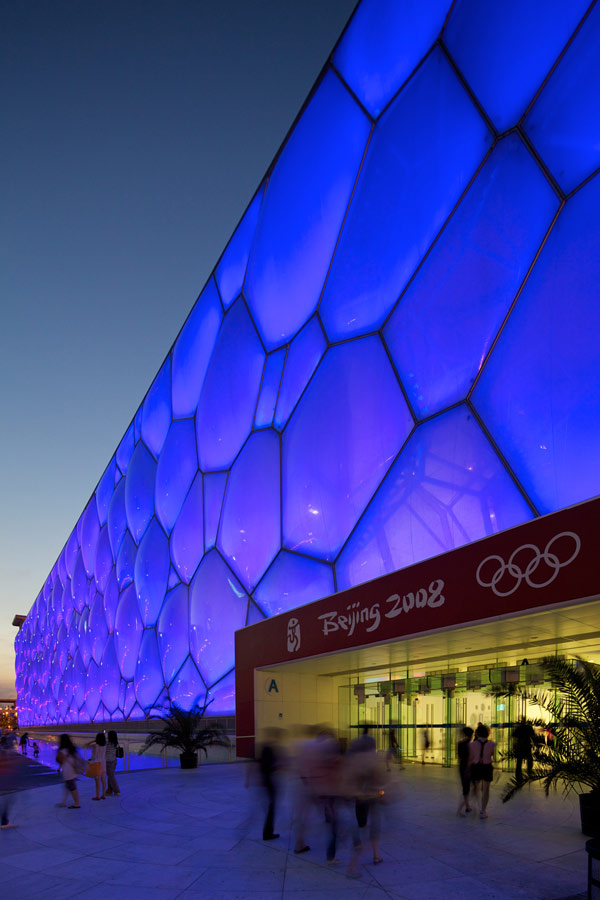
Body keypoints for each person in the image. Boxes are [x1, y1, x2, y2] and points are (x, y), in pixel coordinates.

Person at [343, 727, 385, 877]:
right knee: (373, 826)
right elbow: (378, 779)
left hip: (359, 797)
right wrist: (381, 792)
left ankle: (373, 853)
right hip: (371, 797)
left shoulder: (354, 760)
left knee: (361, 824)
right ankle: (370, 857)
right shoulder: (372, 759)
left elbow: (348, 777)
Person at [468, 723, 495, 819]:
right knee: (486, 789)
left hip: (476, 767)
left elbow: (470, 758)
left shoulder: (472, 745)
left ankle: (474, 805)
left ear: (478, 733)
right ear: (488, 733)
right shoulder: (492, 744)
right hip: (487, 767)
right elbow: (493, 756)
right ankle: (483, 810)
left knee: (476, 787)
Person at [56, 734, 82, 809]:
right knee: (68, 786)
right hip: (73, 770)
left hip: (67, 771)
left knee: (72, 787)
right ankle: (64, 801)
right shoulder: (72, 749)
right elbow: (77, 759)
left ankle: (77, 803)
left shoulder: (62, 751)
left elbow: (60, 760)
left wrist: (59, 767)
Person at [457, 726, 473, 816]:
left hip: (462, 766)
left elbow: (459, 756)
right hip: (469, 767)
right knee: (472, 787)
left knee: (465, 786)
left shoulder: (460, 743)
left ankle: (467, 805)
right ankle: (466, 806)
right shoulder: (470, 744)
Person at [512, 718, 535, 783]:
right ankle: (529, 771)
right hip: (527, 745)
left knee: (519, 761)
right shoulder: (529, 727)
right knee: (529, 758)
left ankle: (518, 776)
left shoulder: (519, 728)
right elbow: (533, 735)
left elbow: (514, 735)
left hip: (520, 745)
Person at [86, 732, 107, 800]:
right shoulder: (105, 745)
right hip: (103, 763)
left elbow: (86, 744)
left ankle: (97, 796)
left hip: (96, 764)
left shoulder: (95, 745)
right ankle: (103, 795)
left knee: (97, 781)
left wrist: (94, 741)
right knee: (103, 780)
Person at [105, 731, 121, 796]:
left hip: (108, 762)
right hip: (114, 761)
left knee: (111, 776)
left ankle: (117, 790)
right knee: (110, 776)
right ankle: (109, 790)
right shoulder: (116, 743)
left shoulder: (107, 743)